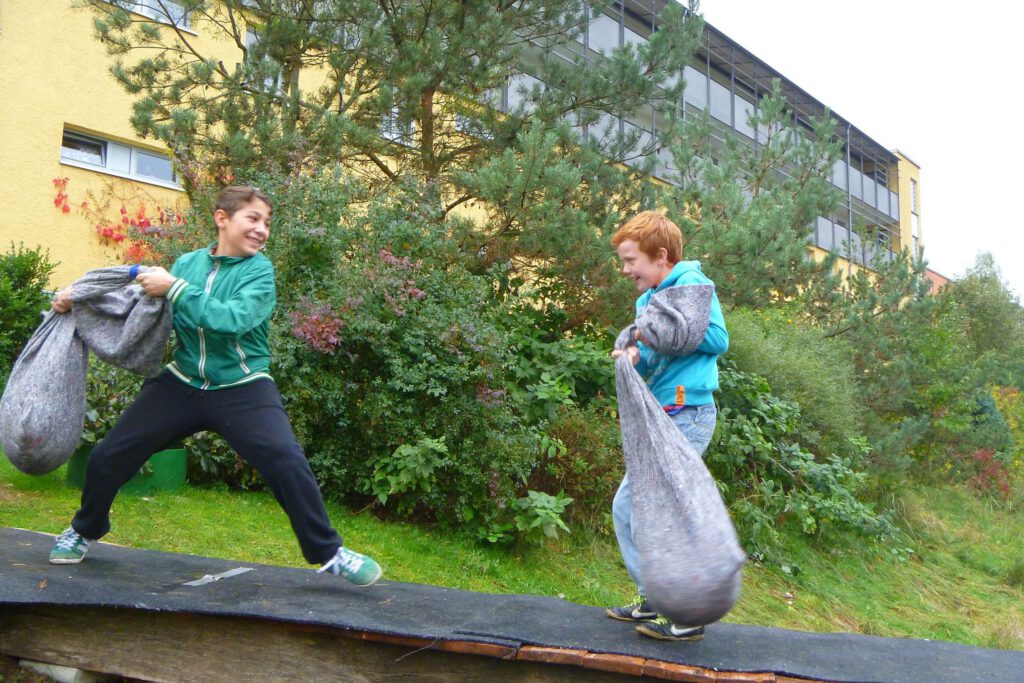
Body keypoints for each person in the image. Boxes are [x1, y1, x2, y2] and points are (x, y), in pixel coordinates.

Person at [48, 185, 381, 587]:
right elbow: (134, 296)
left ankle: (329, 553)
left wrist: (174, 287)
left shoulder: (259, 272)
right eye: (253, 219)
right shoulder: (186, 264)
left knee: (284, 458)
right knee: (108, 455)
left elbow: (230, 319)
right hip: (182, 381)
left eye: (267, 223)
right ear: (222, 219)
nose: (262, 230)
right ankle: (85, 529)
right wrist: (76, 296)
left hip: (243, 386)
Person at [607, 210, 728, 641]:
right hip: (661, 416)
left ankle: (690, 612)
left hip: (691, 414)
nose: (625, 270)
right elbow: (660, 354)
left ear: (660, 257)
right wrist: (639, 355)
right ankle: (655, 597)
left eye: (630, 260)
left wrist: (670, 332)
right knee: (627, 508)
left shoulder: (696, 288)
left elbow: (718, 340)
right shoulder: (647, 299)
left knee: (666, 512)